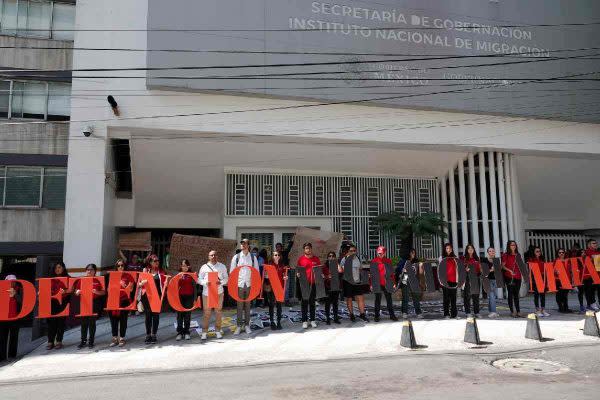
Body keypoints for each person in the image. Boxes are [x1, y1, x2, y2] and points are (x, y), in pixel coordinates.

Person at [230, 239, 260, 335]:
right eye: (242, 244)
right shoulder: (236, 257)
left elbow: (256, 272)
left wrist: (255, 285)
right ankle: (239, 326)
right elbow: (232, 272)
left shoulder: (252, 257)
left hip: (249, 284)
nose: (243, 245)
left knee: (247, 306)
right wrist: (233, 285)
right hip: (239, 284)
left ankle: (247, 325)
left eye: (245, 244)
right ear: (240, 246)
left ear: (248, 245)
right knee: (239, 306)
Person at [199, 250, 229, 340]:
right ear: (208, 256)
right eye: (211, 255)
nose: (213, 256)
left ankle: (218, 330)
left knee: (218, 312)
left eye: (215, 255)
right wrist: (205, 282)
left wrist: (221, 282)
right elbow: (199, 279)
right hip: (207, 293)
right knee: (206, 313)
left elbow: (226, 278)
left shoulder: (222, 266)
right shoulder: (204, 267)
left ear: (217, 256)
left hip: (218, 292)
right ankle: (204, 332)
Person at [74, 264, 106, 349]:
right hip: (84, 302)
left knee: (92, 323)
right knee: (84, 323)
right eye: (87, 269)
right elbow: (76, 291)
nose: (89, 271)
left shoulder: (98, 280)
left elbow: (103, 292)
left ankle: (91, 341)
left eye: (91, 269)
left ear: (95, 271)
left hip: (94, 303)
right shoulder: (81, 280)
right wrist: (77, 292)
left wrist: (96, 292)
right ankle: (83, 341)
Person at [139, 254, 167, 344]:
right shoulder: (145, 271)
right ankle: (148, 335)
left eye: (158, 260)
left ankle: (154, 334)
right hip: (146, 296)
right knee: (148, 316)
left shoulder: (161, 272)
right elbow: (139, 284)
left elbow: (164, 284)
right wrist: (142, 283)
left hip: (157, 296)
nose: (157, 262)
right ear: (150, 262)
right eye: (155, 261)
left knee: (155, 316)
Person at [340, 244, 369, 322]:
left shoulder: (358, 258)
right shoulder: (344, 259)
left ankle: (362, 314)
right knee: (349, 299)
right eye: (351, 251)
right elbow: (340, 270)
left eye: (354, 251)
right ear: (348, 252)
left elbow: (360, 269)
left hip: (357, 282)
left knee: (361, 298)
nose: (353, 252)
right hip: (348, 282)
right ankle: (351, 314)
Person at [109, 259, 134, 347]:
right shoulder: (112, 275)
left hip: (124, 300)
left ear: (124, 266)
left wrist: (124, 286)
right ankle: (115, 338)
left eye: (122, 265)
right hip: (113, 300)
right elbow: (109, 289)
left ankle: (122, 338)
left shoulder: (128, 276)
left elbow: (131, 289)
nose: (120, 267)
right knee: (113, 320)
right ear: (116, 267)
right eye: (118, 266)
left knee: (123, 320)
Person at [296, 242, 322, 328]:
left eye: (309, 248)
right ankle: (304, 321)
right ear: (304, 250)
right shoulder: (301, 259)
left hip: (313, 284)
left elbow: (319, 270)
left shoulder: (316, 259)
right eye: (306, 248)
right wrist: (298, 274)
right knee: (304, 303)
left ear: (311, 249)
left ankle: (312, 320)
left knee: (312, 303)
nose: (308, 250)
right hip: (304, 284)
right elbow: (298, 271)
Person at [46, 261, 71, 350]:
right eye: (56, 268)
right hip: (52, 302)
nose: (57, 269)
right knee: (51, 322)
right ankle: (50, 341)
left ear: (63, 268)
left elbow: (71, 290)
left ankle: (59, 341)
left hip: (63, 302)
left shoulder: (68, 278)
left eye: (59, 267)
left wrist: (66, 291)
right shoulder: (50, 279)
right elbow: (45, 289)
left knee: (61, 322)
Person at [371, 246, 398, 322]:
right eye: (379, 253)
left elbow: (392, 274)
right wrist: (371, 284)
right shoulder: (374, 261)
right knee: (377, 299)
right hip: (377, 283)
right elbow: (372, 274)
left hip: (387, 282)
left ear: (385, 253)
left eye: (382, 253)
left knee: (389, 299)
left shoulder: (388, 261)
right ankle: (376, 316)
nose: (380, 255)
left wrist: (394, 283)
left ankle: (392, 315)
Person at [0, 275, 21, 362]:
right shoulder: (1, 290)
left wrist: (15, 294)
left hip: (15, 318)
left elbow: (22, 301)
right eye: (10, 281)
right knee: (2, 337)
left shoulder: (19, 290)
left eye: (14, 281)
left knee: (14, 337)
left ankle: (12, 355)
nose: (12, 283)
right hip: (3, 318)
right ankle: (2, 357)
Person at [397, 248, 423, 319]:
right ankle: (404, 312)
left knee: (416, 297)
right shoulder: (403, 261)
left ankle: (418, 312)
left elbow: (419, 272)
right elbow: (398, 270)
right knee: (405, 297)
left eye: (414, 253)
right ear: (408, 254)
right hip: (405, 279)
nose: (413, 254)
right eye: (411, 253)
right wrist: (402, 270)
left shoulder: (416, 261)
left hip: (414, 280)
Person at [264, 251, 286, 330]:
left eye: (278, 255)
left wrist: (285, 277)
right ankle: (272, 322)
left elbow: (284, 275)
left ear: (280, 256)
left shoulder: (282, 265)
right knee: (271, 305)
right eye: (275, 255)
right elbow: (265, 276)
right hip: (272, 287)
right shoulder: (270, 265)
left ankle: (279, 321)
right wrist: (266, 276)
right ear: (272, 256)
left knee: (279, 305)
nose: (277, 256)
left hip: (279, 287)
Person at [501, 240, 524, 318]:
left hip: (518, 277)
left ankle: (518, 311)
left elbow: (521, 265)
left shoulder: (518, 255)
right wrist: (510, 270)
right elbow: (502, 266)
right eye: (511, 245)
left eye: (514, 245)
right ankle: (512, 311)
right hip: (509, 277)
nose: (513, 246)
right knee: (510, 294)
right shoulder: (505, 255)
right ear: (509, 246)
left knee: (516, 294)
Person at [175, 259, 196, 341]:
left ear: (189, 266)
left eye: (186, 265)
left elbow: (194, 288)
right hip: (180, 297)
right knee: (179, 316)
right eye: (183, 265)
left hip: (189, 297)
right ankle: (179, 332)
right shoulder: (178, 275)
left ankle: (187, 332)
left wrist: (194, 299)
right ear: (181, 266)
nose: (185, 267)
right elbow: (175, 287)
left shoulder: (192, 275)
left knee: (187, 315)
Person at [461, 244, 482, 318]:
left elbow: (480, 269)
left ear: (474, 249)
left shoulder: (477, 258)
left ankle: (477, 312)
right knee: (467, 296)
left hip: (476, 278)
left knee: (476, 296)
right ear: (466, 250)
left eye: (472, 248)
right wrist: (465, 270)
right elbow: (460, 269)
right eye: (468, 248)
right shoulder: (463, 258)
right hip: (467, 278)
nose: (470, 249)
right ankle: (468, 312)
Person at [528, 247, 549, 317]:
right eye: (537, 251)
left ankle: (543, 310)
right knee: (536, 295)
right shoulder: (532, 260)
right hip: (535, 279)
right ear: (534, 252)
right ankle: (537, 310)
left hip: (542, 278)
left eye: (539, 251)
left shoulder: (542, 259)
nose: (538, 252)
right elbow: (530, 270)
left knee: (543, 295)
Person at [439, 243, 459, 319]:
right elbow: (440, 269)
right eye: (447, 248)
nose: (449, 250)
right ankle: (446, 314)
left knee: (453, 297)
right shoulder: (442, 257)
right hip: (445, 280)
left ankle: (454, 314)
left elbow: (457, 269)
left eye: (450, 248)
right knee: (446, 298)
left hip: (454, 280)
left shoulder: (455, 257)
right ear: (445, 249)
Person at [323, 251, 341, 325]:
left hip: (335, 286)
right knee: (327, 303)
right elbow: (322, 276)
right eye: (329, 256)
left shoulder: (336, 264)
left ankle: (335, 317)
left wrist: (337, 264)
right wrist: (327, 277)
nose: (331, 257)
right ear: (327, 258)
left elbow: (340, 271)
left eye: (333, 256)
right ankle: (327, 317)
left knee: (335, 303)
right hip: (327, 286)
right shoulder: (325, 266)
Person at [480, 247, 499, 318]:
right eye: (490, 251)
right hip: (487, 280)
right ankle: (493, 312)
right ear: (488, 252)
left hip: (495, 279)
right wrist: (491, 270)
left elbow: (498, 271)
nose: (492, 252)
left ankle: (491, 311)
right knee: (492, 296)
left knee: (493, 296)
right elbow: (483, 271)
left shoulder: (496, 260)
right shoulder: (484, 260)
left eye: (493, 251)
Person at [581, 239, 599, 311]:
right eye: (593, 243)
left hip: (596, 275)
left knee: (595, 290)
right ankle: (590, 304)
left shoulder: (597, 252)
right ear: (589, 245)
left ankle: (593, 303)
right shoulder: (586, 252)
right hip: (588, 275)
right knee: (589, 290)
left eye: (595, 243)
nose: (595, 244)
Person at [554, 248, 572, 313]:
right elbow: (553, 270)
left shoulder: (567, 261)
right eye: (560, 252)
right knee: (559, 294)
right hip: (559, 280)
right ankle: (560, 307)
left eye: (563, 252)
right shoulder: (556, 261)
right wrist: (555, 272)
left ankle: (566, 307)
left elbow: (570, 270)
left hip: (566, 280)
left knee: (565, 295)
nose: (561, 253)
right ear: (557, 254)